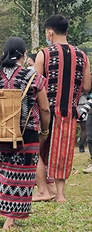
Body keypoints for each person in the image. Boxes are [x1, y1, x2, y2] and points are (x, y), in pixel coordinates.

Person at [0, 37, 50, 230]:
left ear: (4, 54)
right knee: (21, 176)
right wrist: (44, 131)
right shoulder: (34, 77)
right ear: (24, 54)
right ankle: (10, 220)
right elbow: (45, 109)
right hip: (25, 134)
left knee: (3, 172)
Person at [33, 15, 91, 203]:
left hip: (46, 111)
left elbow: (36, 84)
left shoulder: (44, 54)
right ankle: (60, 194)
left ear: (50, 32)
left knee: (39, 147)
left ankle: (43, 187)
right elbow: (87, 86)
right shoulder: (82, 56)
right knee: (63, 149)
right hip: (69, 111)